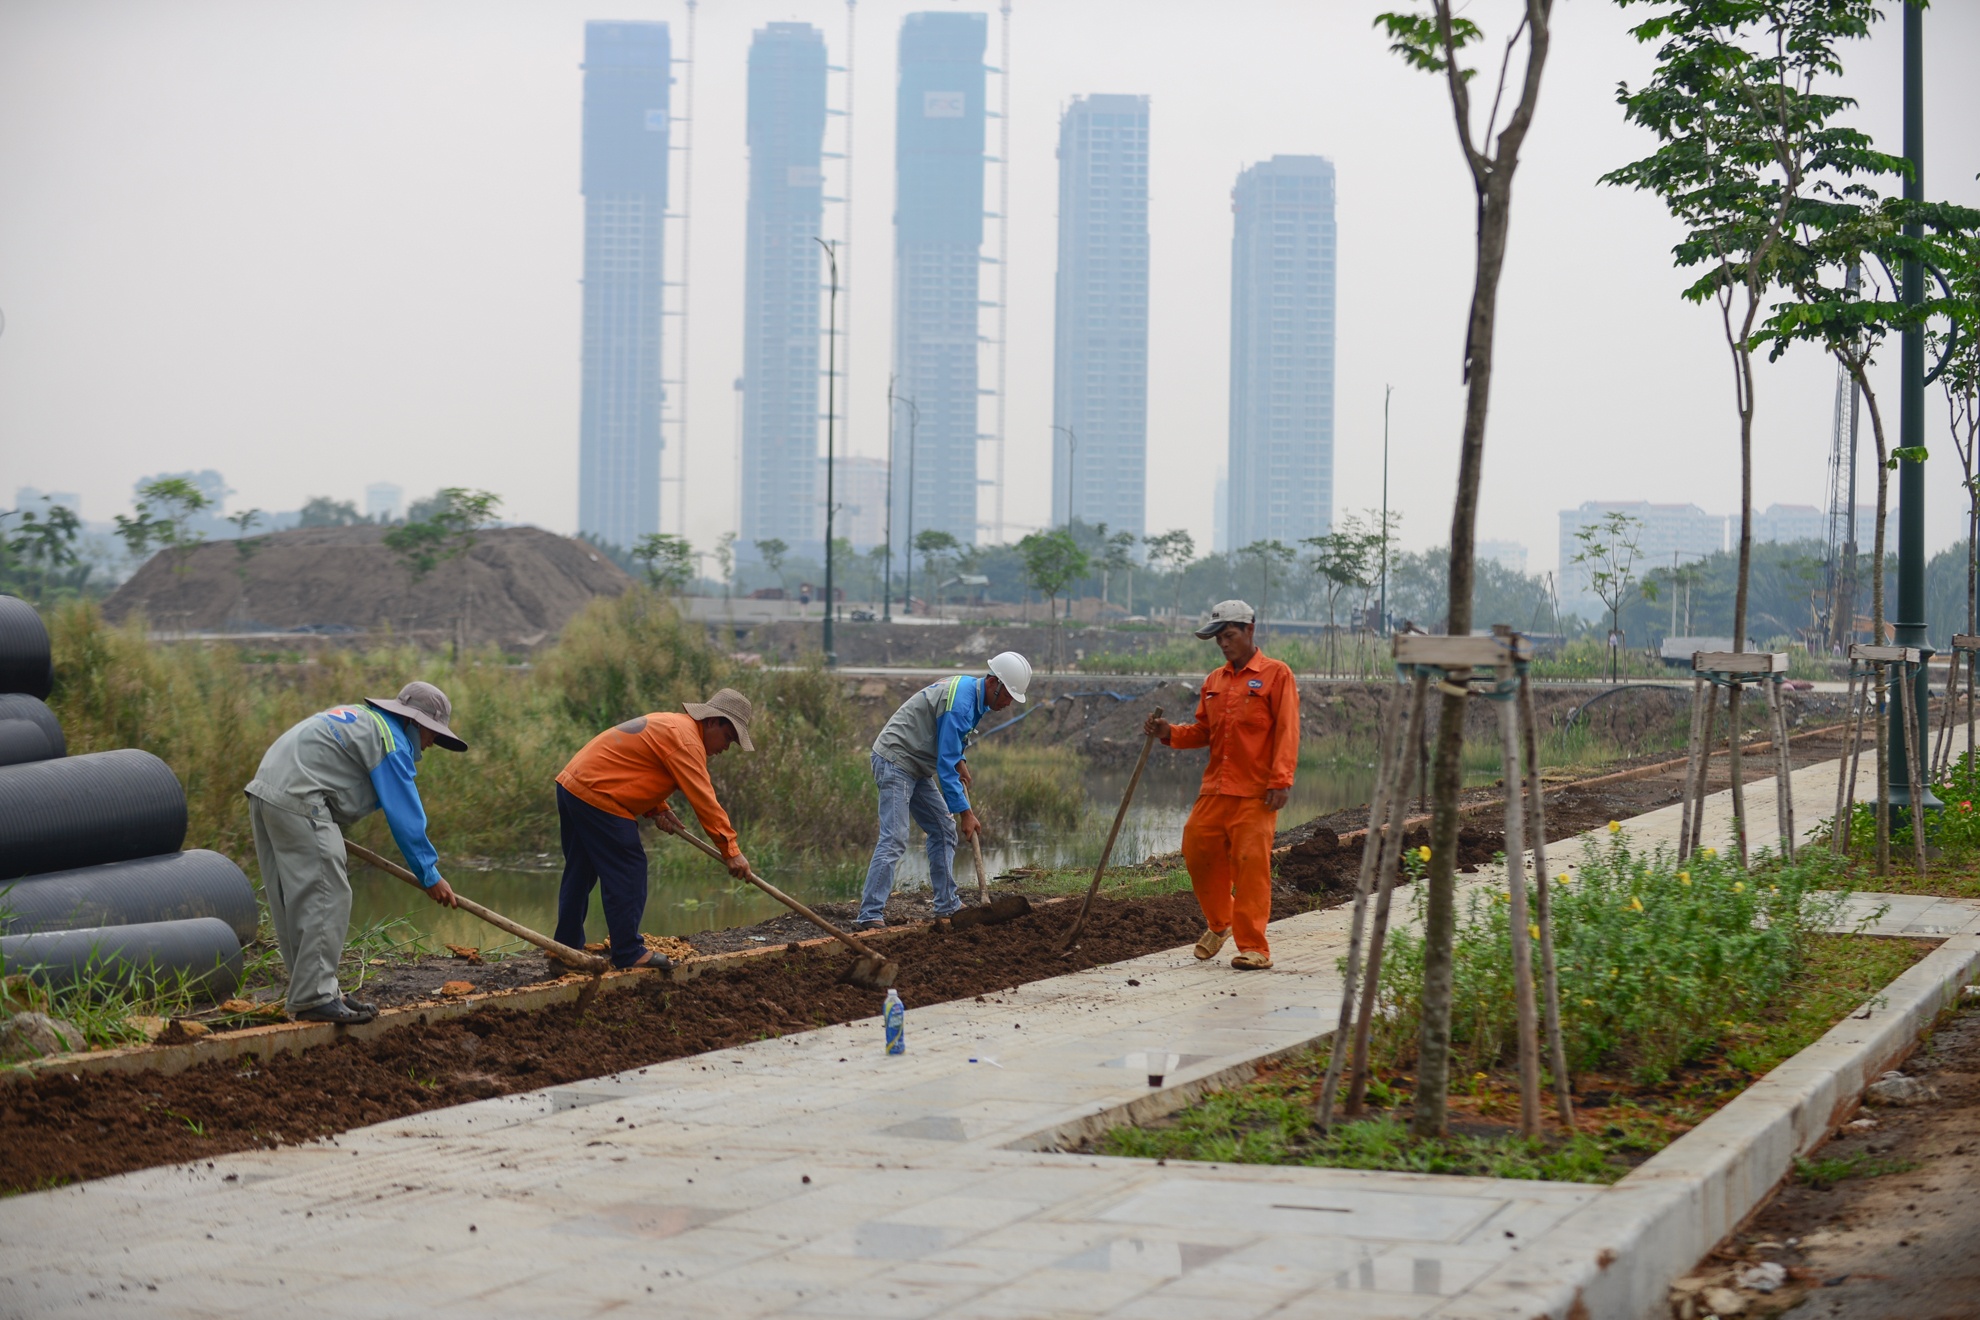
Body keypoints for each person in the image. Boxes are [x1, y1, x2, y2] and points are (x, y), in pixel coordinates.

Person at [246, 681, 465, 1025]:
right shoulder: (391, 741)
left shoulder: (364, 719)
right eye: (432, 733)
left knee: (292, 899)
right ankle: (315, 996)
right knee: (327, 894)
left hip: (266, 790)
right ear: (415, 722)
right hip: (300, 797)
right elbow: (406, 816)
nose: (433, 742)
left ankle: (318, 991)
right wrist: (430, 874)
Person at [1144, 601, 1299, 970]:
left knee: (1250, 866)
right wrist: (1170, 733)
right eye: (1218, 638)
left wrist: (1281, 780)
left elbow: (1287, 730)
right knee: (1196, 849)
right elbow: (1204, 731)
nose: (1223, 644)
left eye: (1229, 636)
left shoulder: (1277, 675)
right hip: (1215, 788)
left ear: (1250, 631)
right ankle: (1220, 922)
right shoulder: (1214, 681)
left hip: (1256, 792)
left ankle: (1254, 947)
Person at [553, 689, 756, 970]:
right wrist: (731, 850)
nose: (726, 748)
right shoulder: (687, 741)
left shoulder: (672, 725)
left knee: (581, 871)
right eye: (728, 737)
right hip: (598, 795)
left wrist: (659, 809)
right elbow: (704, 800)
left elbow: (633, 767)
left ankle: (564, 950)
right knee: (629, 867)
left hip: (572, 786)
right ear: (712, 721)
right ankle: (628, 952)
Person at [856, 652, 1033, 931]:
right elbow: (945, 765)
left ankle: (947, 904)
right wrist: (966, 813)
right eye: (1008, 695)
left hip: (915, 763)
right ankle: (869, 914)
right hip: (896, 759)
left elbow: (950, 744)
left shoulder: (973, 697)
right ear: (993, 683)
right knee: (895, 838)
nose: (1009, 703)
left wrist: (960, 760)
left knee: (942, 829)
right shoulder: (961, 704)